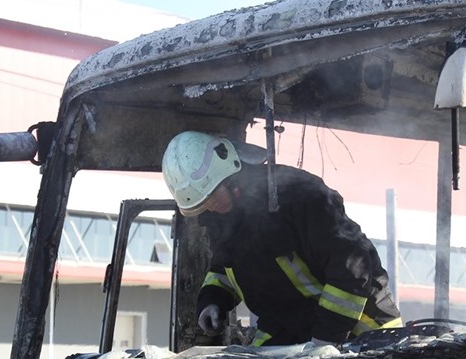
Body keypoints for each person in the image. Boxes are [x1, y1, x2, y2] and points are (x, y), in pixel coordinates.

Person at [161, 130, 402, 347]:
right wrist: (213, 300)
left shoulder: (301, 196)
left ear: (233, 179)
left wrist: (325, 340)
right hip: (289, 330)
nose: (211, 209)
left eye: (213, 199)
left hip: (363, 331)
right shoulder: (222, 217)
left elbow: (352, 267)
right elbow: (227, 267)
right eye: (203, 206)